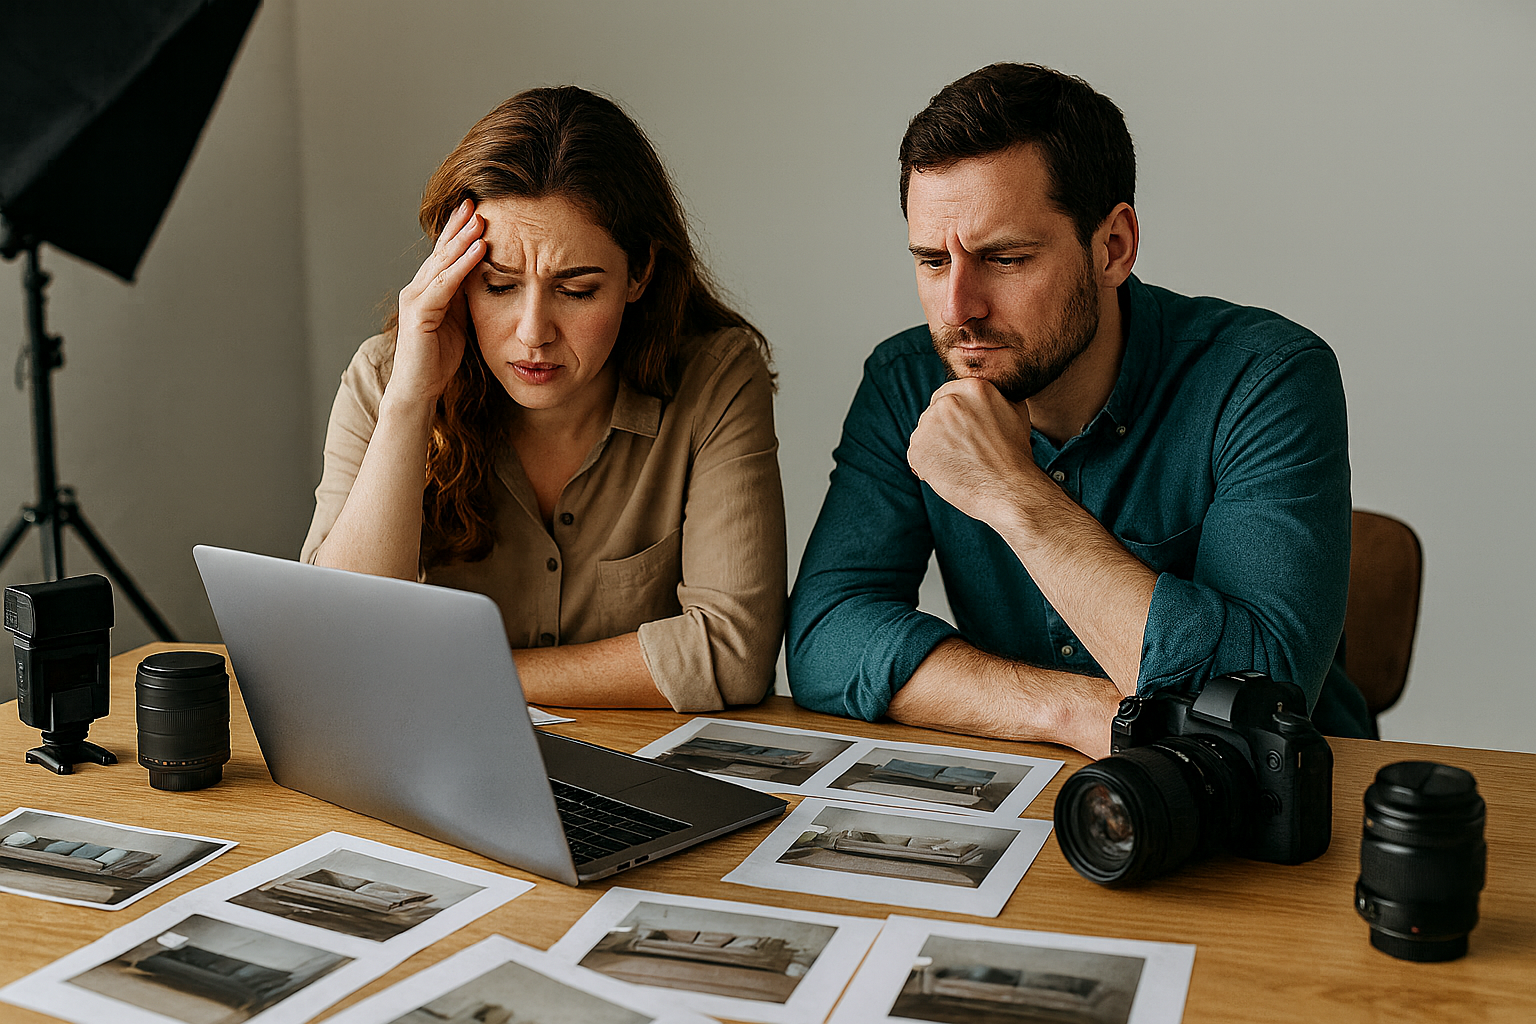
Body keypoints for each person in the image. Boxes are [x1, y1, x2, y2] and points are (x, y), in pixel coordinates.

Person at [787, 63, 1372, 756]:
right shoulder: (905, 380)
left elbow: (1259, 692)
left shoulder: (1266, 377)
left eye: (1005, 259)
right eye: (932, 262)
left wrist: (1013, 492)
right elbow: (826, 635)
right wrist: (1072, 712)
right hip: (1046, 791)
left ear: (1113, 247)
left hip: (1278, 808)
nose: (958, 311)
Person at [301, 87, 785, 712]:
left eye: (577, 290)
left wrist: (458, 675)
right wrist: (409, 403)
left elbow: (731, 653)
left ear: (640, 275)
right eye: (498, 285)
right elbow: (335, 647)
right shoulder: (385, 378)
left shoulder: (716, 378)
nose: (533, 333)